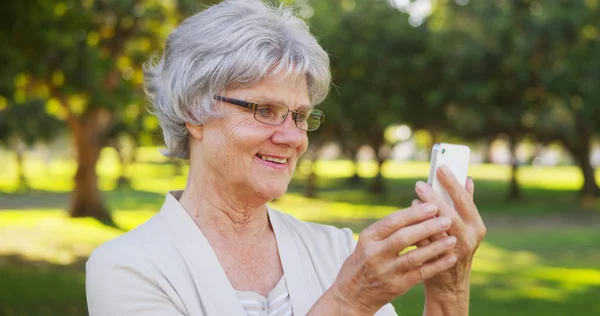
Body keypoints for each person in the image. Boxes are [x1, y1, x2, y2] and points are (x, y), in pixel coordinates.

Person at [85, 0, 486, 315]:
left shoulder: (339, 251)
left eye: (299, 116)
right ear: (194, 112)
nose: (293, 137)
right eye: (264, 110)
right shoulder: (128, 268)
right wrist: (350, 302)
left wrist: (449, 288)